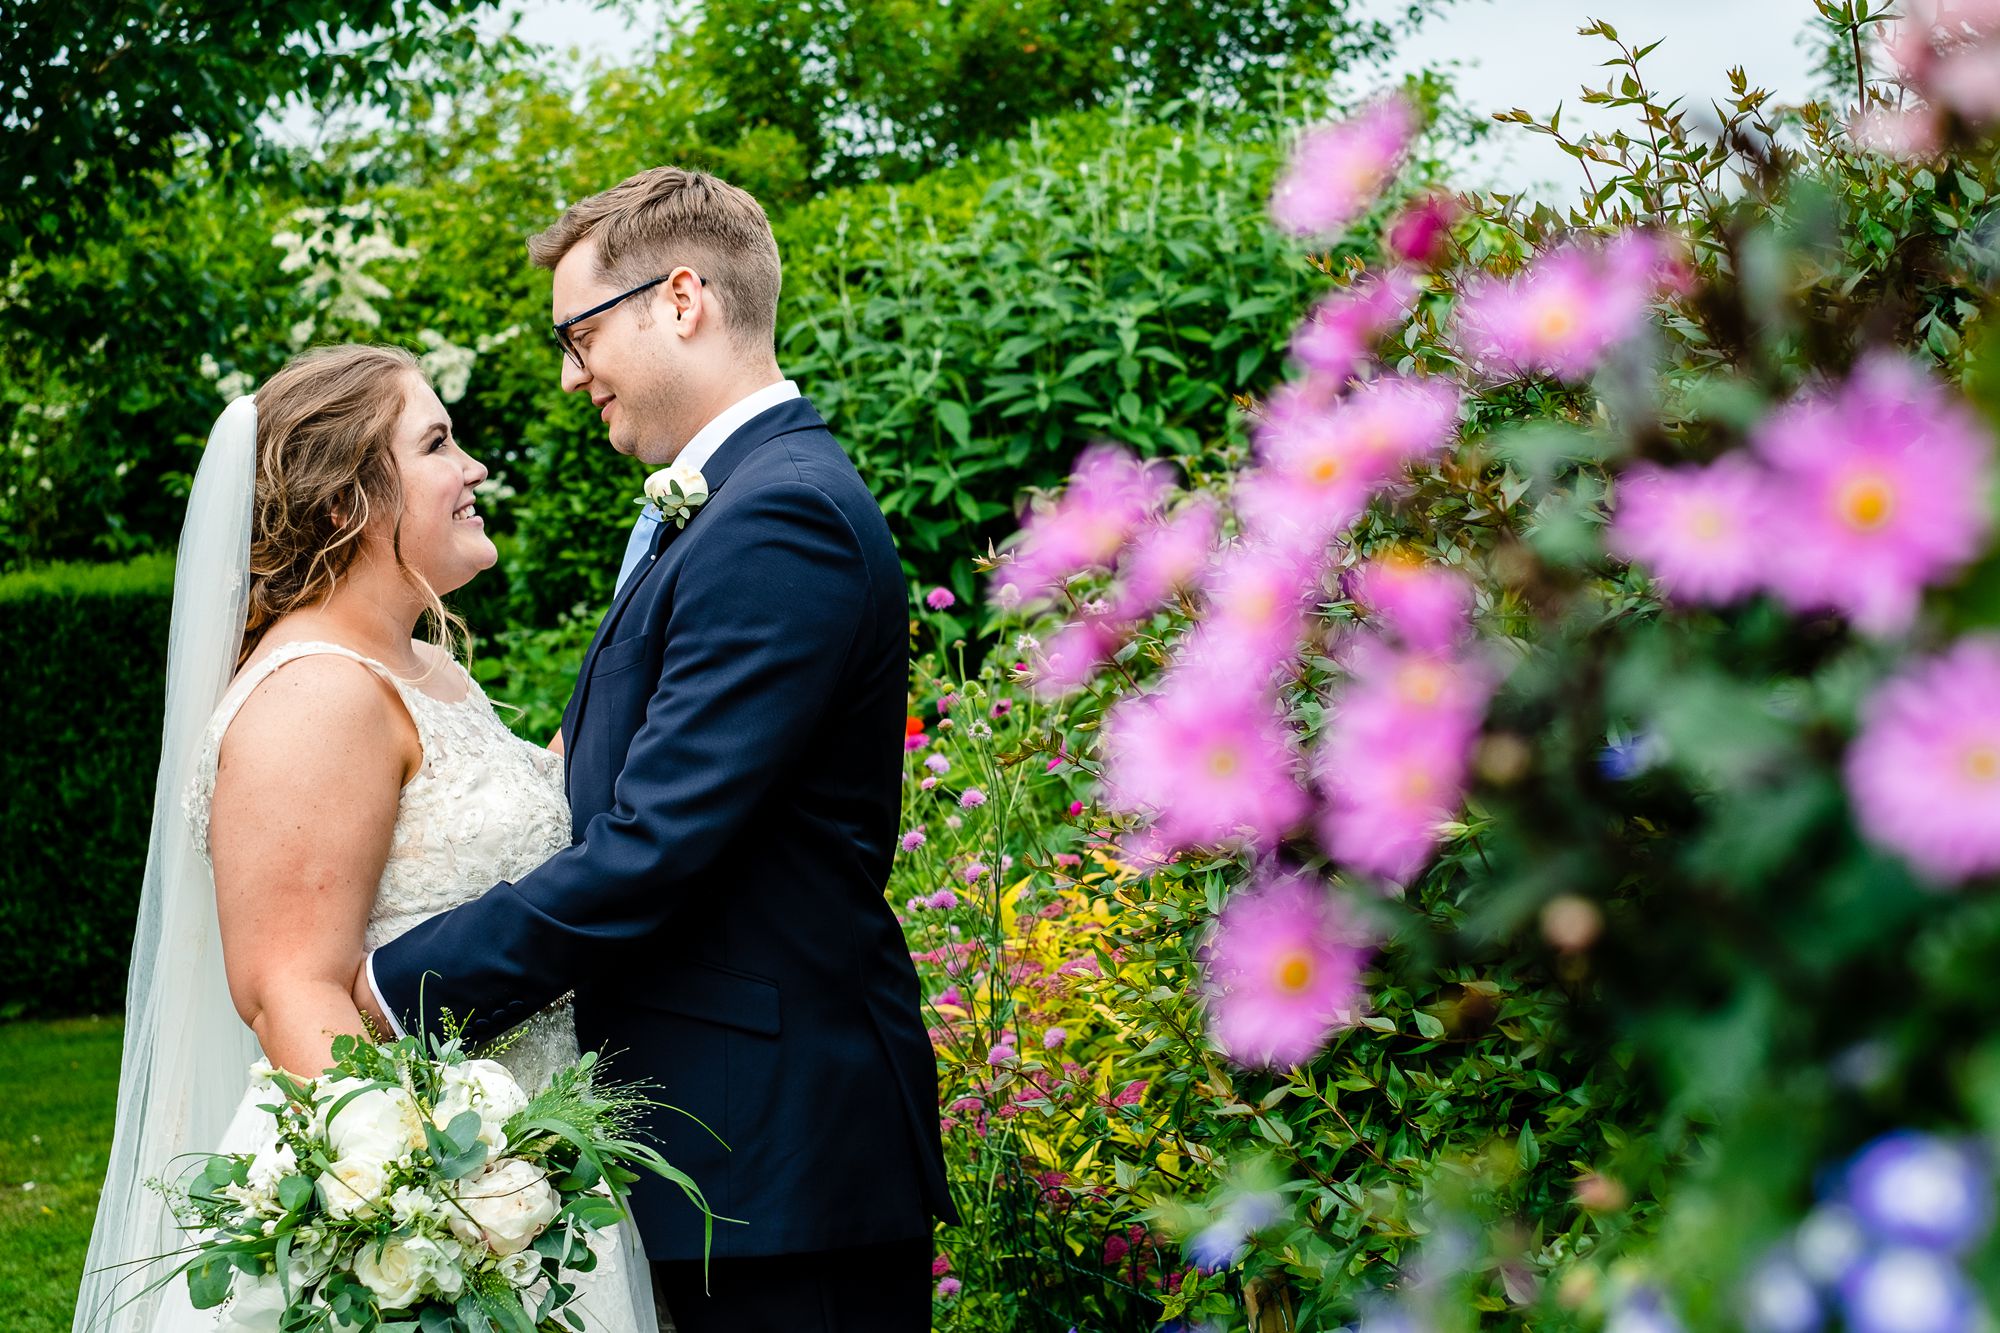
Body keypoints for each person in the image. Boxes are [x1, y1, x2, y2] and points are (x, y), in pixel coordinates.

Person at [353, 166, 956, 1332]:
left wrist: (393, 983)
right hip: (724, 1146)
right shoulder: (728, 505)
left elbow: (655, 842)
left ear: (680, 298)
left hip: (778, 1162)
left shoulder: (777, 516)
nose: (571, 374)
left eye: (579, 336)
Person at [74, 345, 653, 1331]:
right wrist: (423, 1209)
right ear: (344, 505)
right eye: (436, 444)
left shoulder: (428, 668)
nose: (472, 468)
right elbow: (287, 984)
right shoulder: (316, 693)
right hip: (441, 1204)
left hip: (524, 1166)